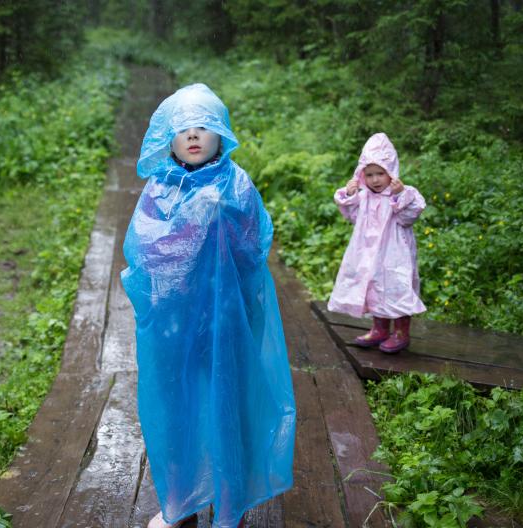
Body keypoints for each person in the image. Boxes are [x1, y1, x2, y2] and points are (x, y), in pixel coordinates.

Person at [121, 84, 296, 528]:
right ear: (169, 138)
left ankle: (228, 508)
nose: (194, 135)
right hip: (174, 325)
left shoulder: (236, 185)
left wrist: (221, 217)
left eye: (203, 126)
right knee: (175, 409)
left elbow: (254, 249)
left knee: (225, 408)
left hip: (225, 321)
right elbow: (142, 251)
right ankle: (180, 504)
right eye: (183, 129)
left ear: (221, 134)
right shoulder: (160, 188)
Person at [327, 132, 427, 353]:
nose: (375, 180)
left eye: (380, 173)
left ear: (391, 172)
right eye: (369, 174)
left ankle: (401, 332)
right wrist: (349, 194)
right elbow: (351, 215)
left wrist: (400, 196)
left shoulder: (403, 194)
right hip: (368, 252)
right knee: (373, 284)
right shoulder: (364, 196)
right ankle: (379, 329)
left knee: (396, 286)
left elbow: (409, 216)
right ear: (362, 175)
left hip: (395, 252)